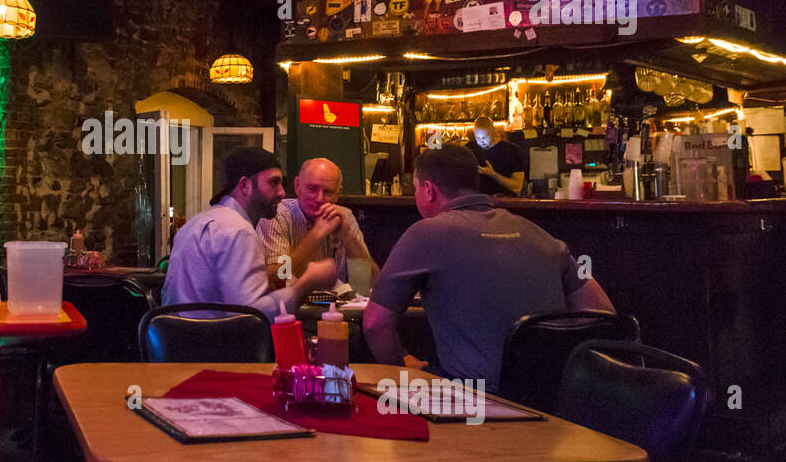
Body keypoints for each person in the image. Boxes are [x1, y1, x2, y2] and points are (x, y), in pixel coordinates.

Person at [362, 144, 614, 391]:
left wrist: (400, 369)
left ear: (428, 190)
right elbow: (603, 312)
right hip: (553, 399)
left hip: (474, 402)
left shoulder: (425, 233)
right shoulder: (541, 235)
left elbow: (375, 323)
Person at [163, 147, 336, 319]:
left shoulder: (193, 224)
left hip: (177, 343)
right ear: (245, 185)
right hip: (214, 343)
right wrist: (308, 281)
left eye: (328, 191)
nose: (283, 193)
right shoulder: (246, 228)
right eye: (273, 182)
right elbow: (254, 314)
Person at [257, 157, 379, 290]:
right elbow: (279, 280)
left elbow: (369, 284)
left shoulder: (345, 217)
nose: (319, 198)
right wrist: (316, 235)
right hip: (290, 308)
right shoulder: (277, 216)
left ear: (338, 194)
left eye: (327, 191)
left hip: (338, 308)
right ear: (297, 186)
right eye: (312, 188)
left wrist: (348, 237)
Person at [467, 116, 525, 196]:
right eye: (478, 137)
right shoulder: (469, 149)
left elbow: (517, 187)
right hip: (477, 202)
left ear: (494, 132)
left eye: (485, 137)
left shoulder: (512, 151)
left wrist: (493, 174)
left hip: (505, 203)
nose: (481, 141)